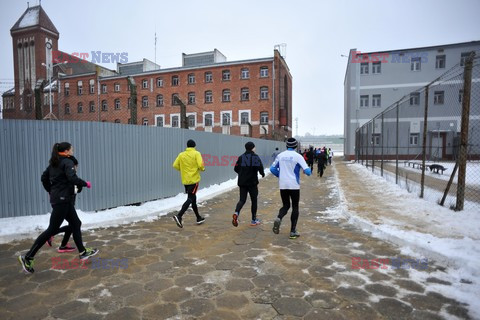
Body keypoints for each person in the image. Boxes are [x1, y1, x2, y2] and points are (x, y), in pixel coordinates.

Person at [18, 142, 98, 274]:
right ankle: (28, 257)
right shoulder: (67, 162)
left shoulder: (54, 163)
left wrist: (51, 190)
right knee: (52, 230)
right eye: (71, 149)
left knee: (76, 223)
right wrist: (85, 184)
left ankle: (83, 252)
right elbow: (72, 178)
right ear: (66, 151)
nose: (73, 150)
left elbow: (44, 178)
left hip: (60, 199)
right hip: (62, 200)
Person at [270, 138, 311, 239]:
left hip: (283, 184)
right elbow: (308, 171)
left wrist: (280, 175)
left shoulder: (280, 155)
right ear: (296, 146)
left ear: (286, 145)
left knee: (286, 205)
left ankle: (279, 218)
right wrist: (306, 171)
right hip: (294, 185)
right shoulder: (298, 156)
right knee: (295, 207)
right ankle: (293, 231)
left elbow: (272, 169)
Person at [46, 155, 82, 253]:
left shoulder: (72, 175)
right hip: (65, 204)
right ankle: (51, 234)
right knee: (75, 224)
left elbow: (77, 190)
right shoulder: (68, 175)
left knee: (73, 224)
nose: (76, 168)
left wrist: (78, 186)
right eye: (76, 166)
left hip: (69, 203)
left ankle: (63, 245)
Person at [172, 139, 206, 228]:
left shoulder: (181, 154)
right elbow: (200, 165)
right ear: (194, 146)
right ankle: (179, 216)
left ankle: (198, 217)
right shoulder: (196, 153)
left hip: (185, 180)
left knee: (193, 198)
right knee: (191, 198)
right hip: (194, 180)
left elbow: (175, 165)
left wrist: (183, 170)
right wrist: (202, 169)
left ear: (187, 146)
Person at [232, 141, 265, 227]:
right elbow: (260, 167)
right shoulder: (255, 157)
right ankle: (253, 220)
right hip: (252, 182)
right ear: (252, 148)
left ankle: (236, 212)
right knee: (254, 200)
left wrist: (242, 173)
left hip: (242, 182)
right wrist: (262, 174)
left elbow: (235, 168)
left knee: (242, 200)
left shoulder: (241, 157)